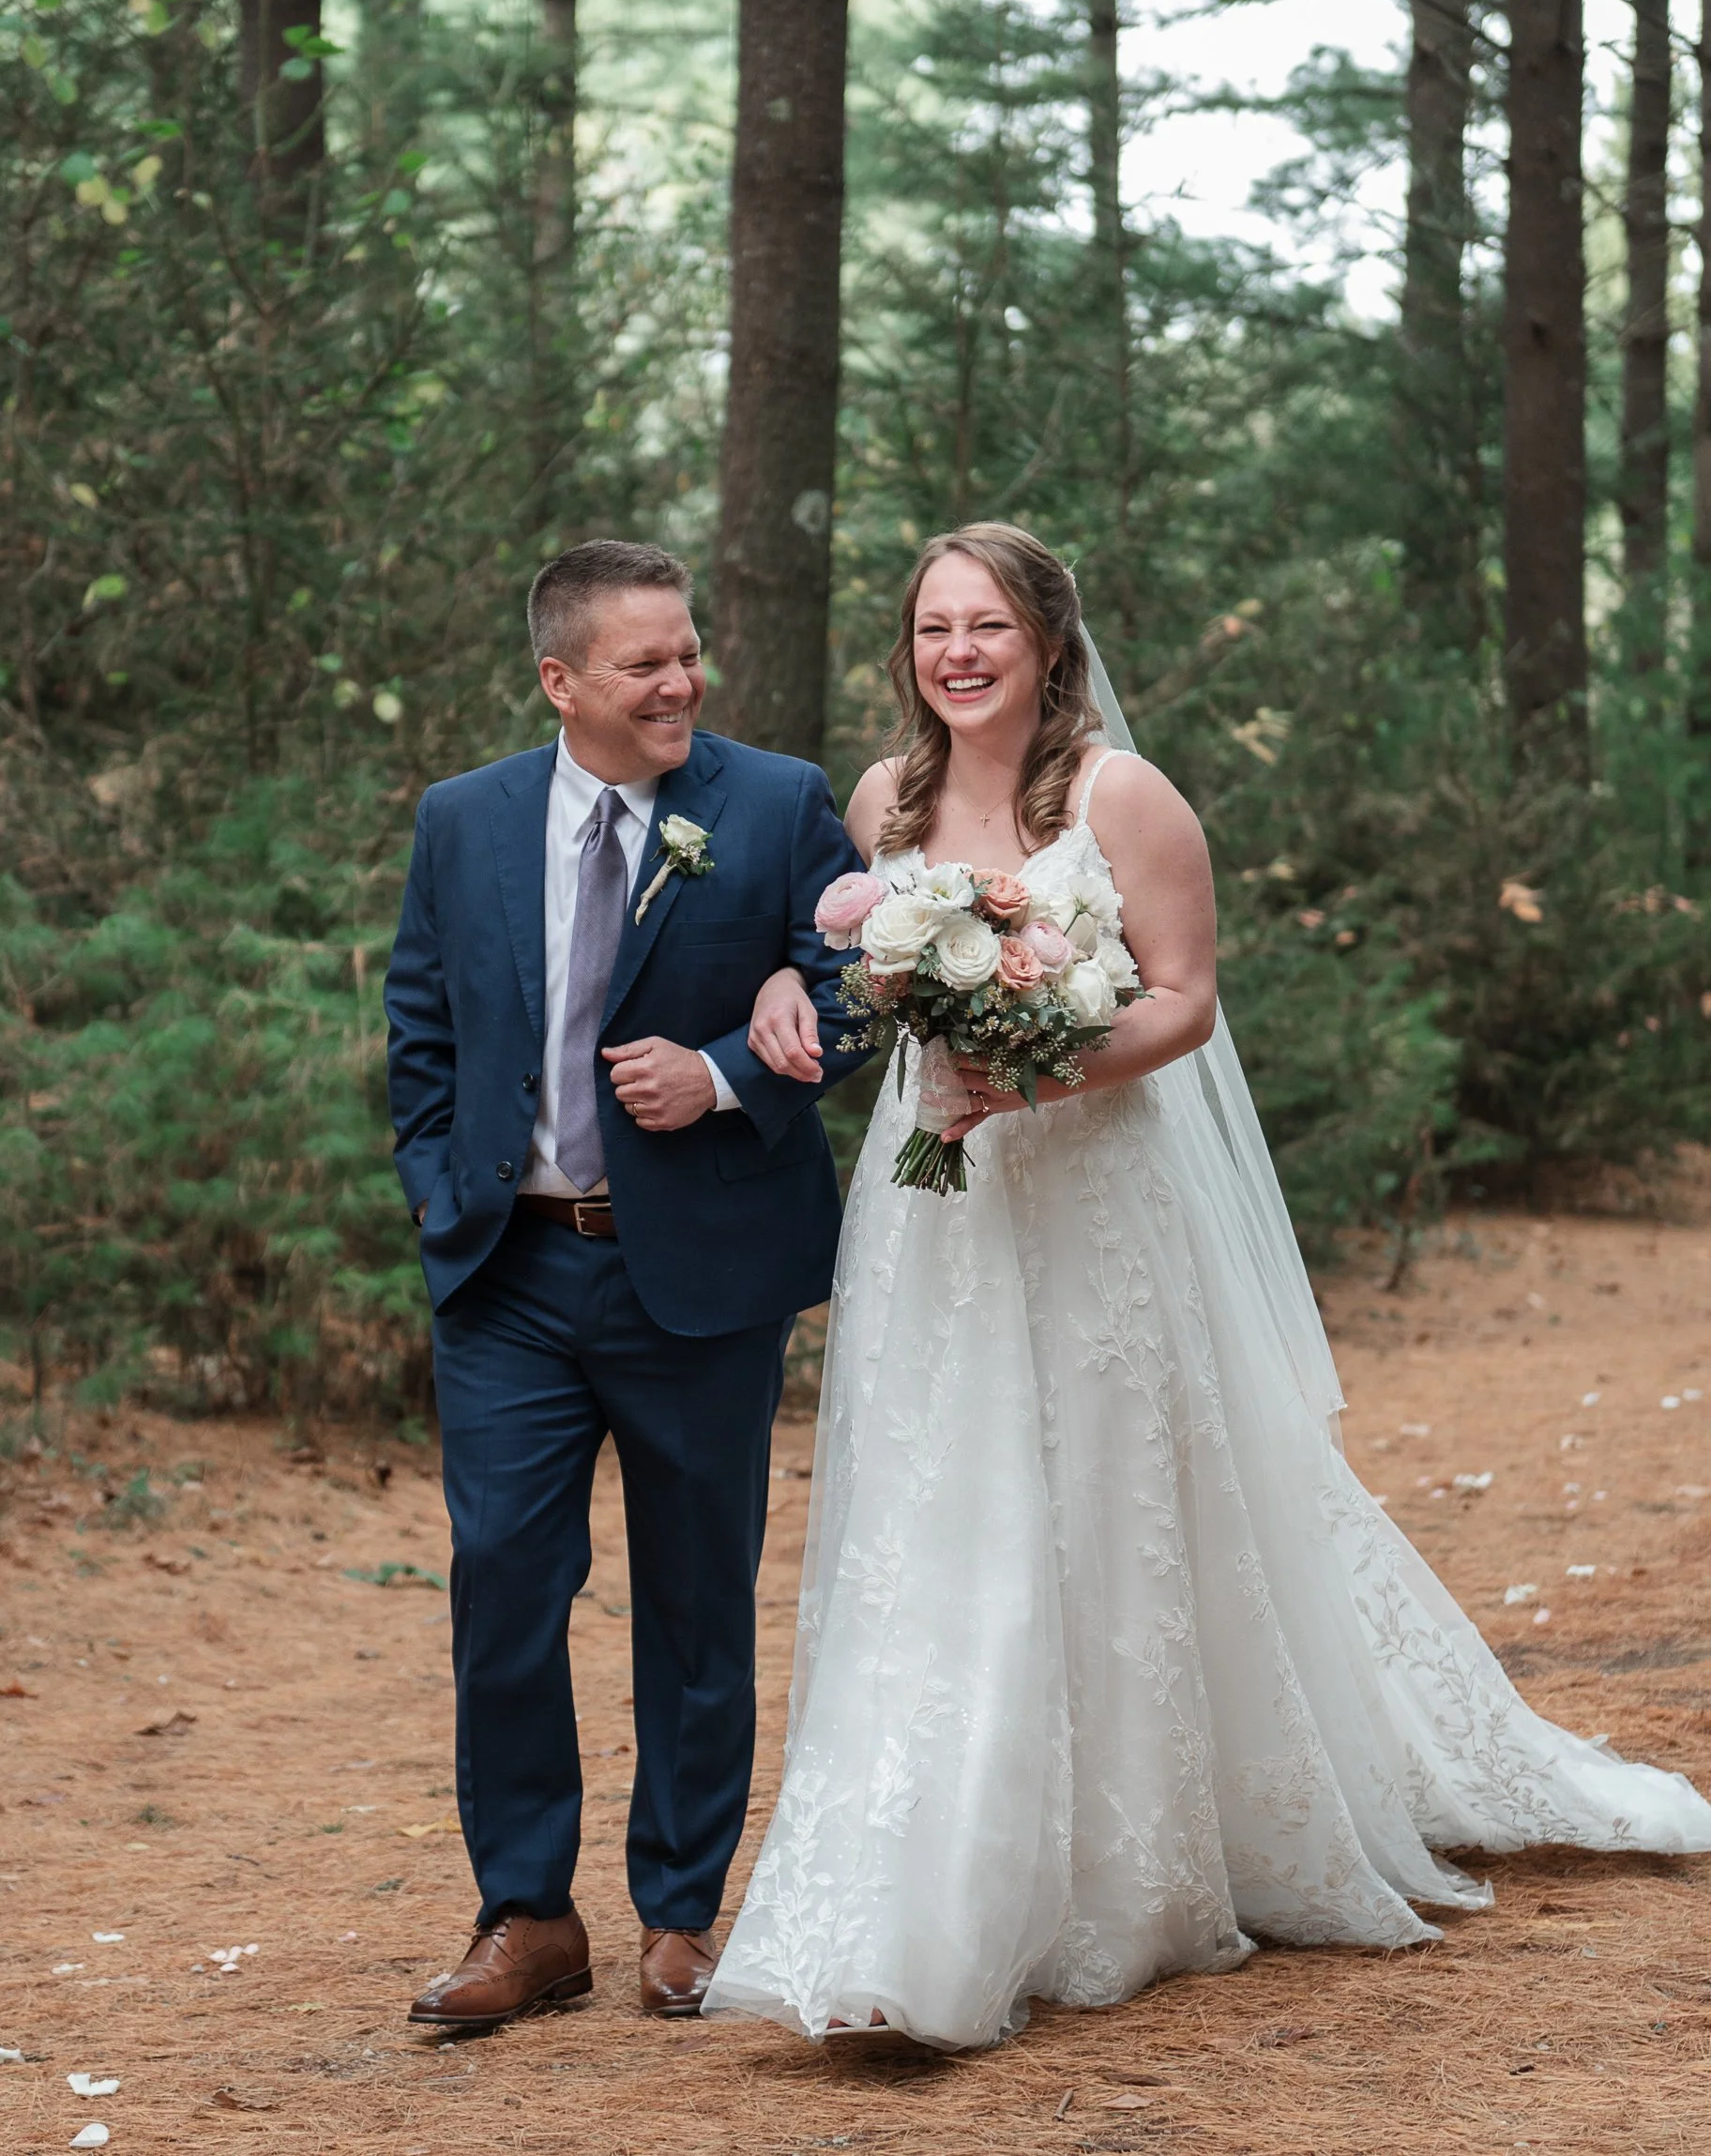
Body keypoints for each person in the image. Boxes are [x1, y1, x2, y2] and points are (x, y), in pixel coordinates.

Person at [703, 521, 1711, 2053]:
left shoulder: (1122, 797)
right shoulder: (882, 802)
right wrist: (816, 991)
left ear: (1048, 638)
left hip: (1094, 1187)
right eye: (930, 630)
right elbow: (861, 984)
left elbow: (1182, 999)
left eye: (985, 625)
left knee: (1111, 1497)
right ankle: (914, 1891)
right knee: (938, 1504)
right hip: (938, 1205)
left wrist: (1037, 1075)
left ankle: (1127, 1869)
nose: (957, 653)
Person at [383, 539, 870, 2031]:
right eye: (645, 661)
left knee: (698, 1600)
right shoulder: (461, 820)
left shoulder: (776, 802)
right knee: (506, 1587)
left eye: (687, 652)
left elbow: (862, 989)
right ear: (561, 679)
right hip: (511, 1276)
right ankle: (529, 1916)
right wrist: (441, 1201)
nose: (681, 680)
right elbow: (421, 1024)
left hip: (701, 1276)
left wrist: (723, 1077)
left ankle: (679, 1916)